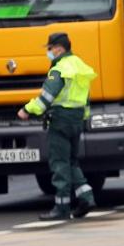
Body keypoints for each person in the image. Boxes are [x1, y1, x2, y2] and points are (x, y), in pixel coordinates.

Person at [18, 32, 97, 220]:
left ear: (59, 48)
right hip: (77, 119)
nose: (49, 52)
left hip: (61, 119)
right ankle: (86, 197)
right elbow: (85, 98)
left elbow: (47, 97)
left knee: (59, 163)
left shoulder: (59, 69)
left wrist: (27, 110)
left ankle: (61, 208)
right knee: (72, 161)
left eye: (50, 48)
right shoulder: (80, 66)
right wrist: (83, 119)